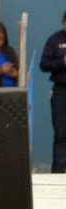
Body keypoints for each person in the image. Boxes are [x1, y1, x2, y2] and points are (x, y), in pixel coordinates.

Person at [39, 11, 66, 173]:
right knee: (61, 134)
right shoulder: (54, 40)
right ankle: (59, 174)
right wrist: (62, 62)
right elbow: (44, 64)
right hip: (61, 91)